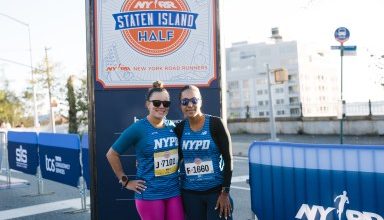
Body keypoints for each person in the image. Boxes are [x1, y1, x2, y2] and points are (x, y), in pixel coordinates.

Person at [106, 81, 184, 220]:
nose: (161, 106)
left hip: (173, 192)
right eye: (156, 103)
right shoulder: (138, 128)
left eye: (166, 103)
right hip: (150, 195)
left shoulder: (172, 126)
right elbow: (112, 154)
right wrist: (125, 181)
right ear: (147, 104)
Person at [174, 85, 234, 220]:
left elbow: (228, 159)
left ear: (200, 102)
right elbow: (174, 159)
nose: (190, 105)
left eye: (194, 100)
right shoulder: (180, 129)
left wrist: (225, 193)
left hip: (216, 192)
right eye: (185, 101)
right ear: (180, 105)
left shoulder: (216, 124)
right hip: (190, 194)